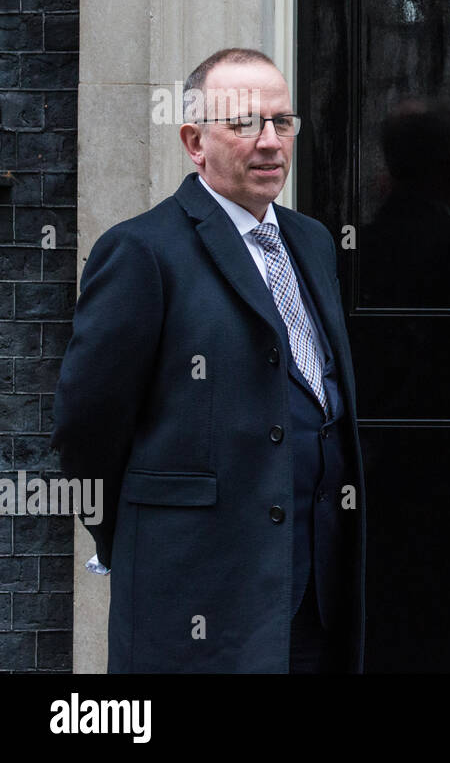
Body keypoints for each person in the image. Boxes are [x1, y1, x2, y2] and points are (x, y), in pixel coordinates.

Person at [54, 48, 366, 673]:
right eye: (245, 123)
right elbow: (87, 428)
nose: (271, 142)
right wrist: (141, 541)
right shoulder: (140, 252)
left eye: (282, 122)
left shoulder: (311, 240)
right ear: (194, 141)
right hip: (196, 592)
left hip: (312, 591)